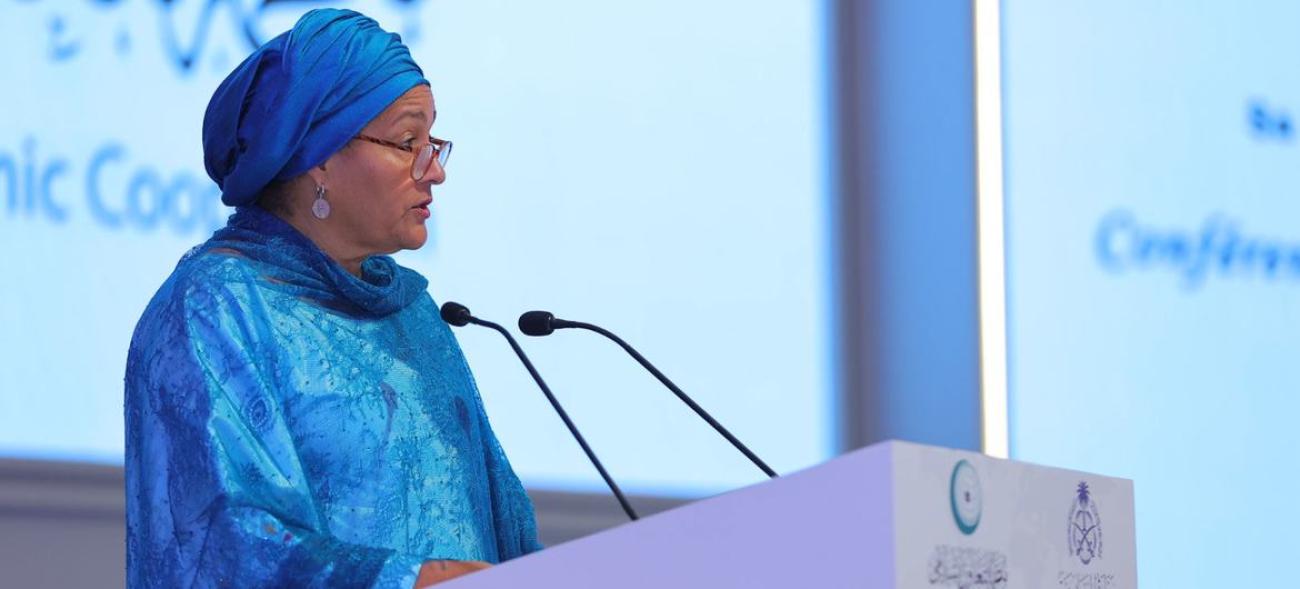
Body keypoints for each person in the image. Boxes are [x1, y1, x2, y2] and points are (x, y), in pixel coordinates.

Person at [124, 9, 541, 588]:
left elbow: (501, 532)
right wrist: (407, 581)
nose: (435, 171)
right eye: (406, 141)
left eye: (433, 141)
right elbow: (217, 542)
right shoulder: (213, 309)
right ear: (318, 153)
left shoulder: (413, 315)